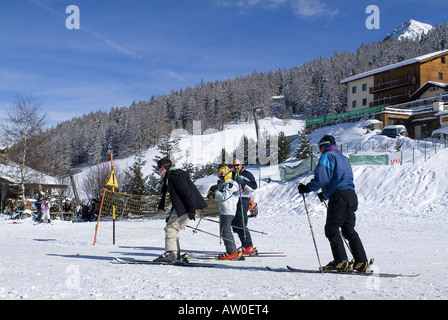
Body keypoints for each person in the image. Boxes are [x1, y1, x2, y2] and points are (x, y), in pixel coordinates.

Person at [298, 135, 369, 272]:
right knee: (348, 230)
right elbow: (339, 178)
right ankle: (361, 261)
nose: (320, 150)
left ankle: (341, 261)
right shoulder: (342, 157)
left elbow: (322, 179)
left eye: (320, 147)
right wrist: (325, 194)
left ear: (323, 146)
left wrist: (306, 188)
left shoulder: (327, 156)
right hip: (350, 195)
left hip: (339, 197)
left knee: (331, 228)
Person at [154, 157, 207, 262]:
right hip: (182, 207)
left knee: (171, 228)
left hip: (186, 207)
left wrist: (192, 209)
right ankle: (174, 253)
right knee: (173, 228)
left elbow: (188, 193)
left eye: (158, 168)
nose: (157, 171)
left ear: (163, 168)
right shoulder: (171, 177)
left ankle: (171, 253)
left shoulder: (175, 177)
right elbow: (177, 198)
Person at [232, 159, 257, 256]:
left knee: (241, 221)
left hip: (244, 199)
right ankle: (244, 244)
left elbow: (254, 187)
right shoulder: (232, 174)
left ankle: (248, 246)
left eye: (237, 165)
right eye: (234, 166)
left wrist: (244, 183)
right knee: (235, 223)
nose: (236, 167)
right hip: (234, 200)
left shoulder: (247, 174)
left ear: (241, 165)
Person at [213, 166, 239, 260]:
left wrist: (215, 192)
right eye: (220, 178)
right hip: (224, 210)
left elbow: (224, 196)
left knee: (226, 231)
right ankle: (230, 250)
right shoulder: (225, 184)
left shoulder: (231, 185)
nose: (221, 179)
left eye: (222, 177)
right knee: (223, 232)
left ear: (227, 176)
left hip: (228, 211)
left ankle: (232, 252)